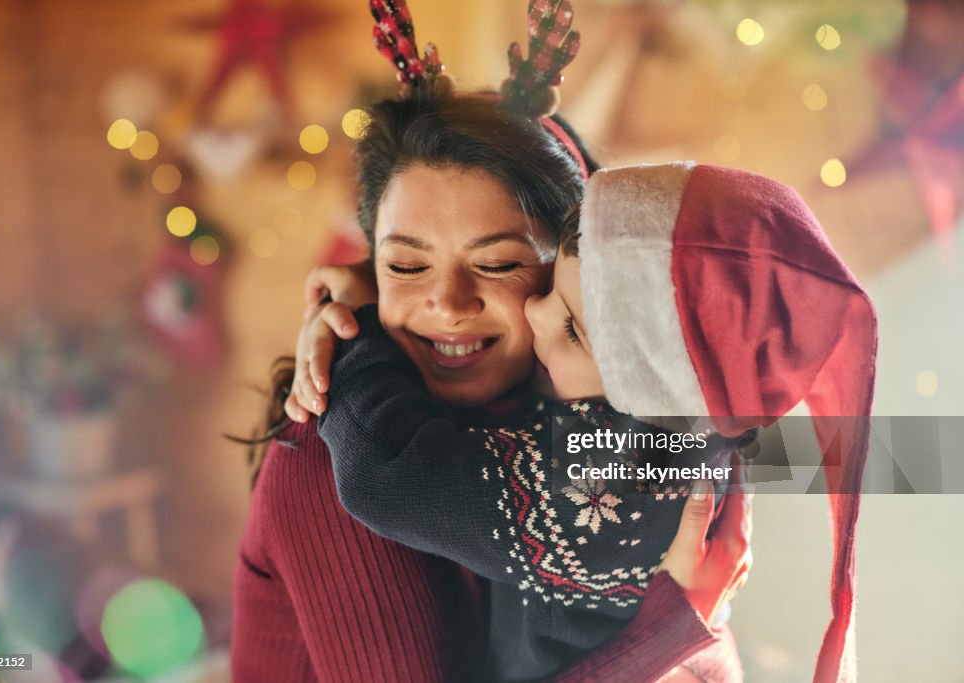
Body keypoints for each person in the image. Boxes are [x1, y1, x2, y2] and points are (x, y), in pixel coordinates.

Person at [313, 162, 878, 683]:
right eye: (553, 288)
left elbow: (383, 475)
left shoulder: (610, 475)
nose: (536, 311)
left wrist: (352, 336)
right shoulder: (696, 421)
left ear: (649, 384)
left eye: (573, 329)